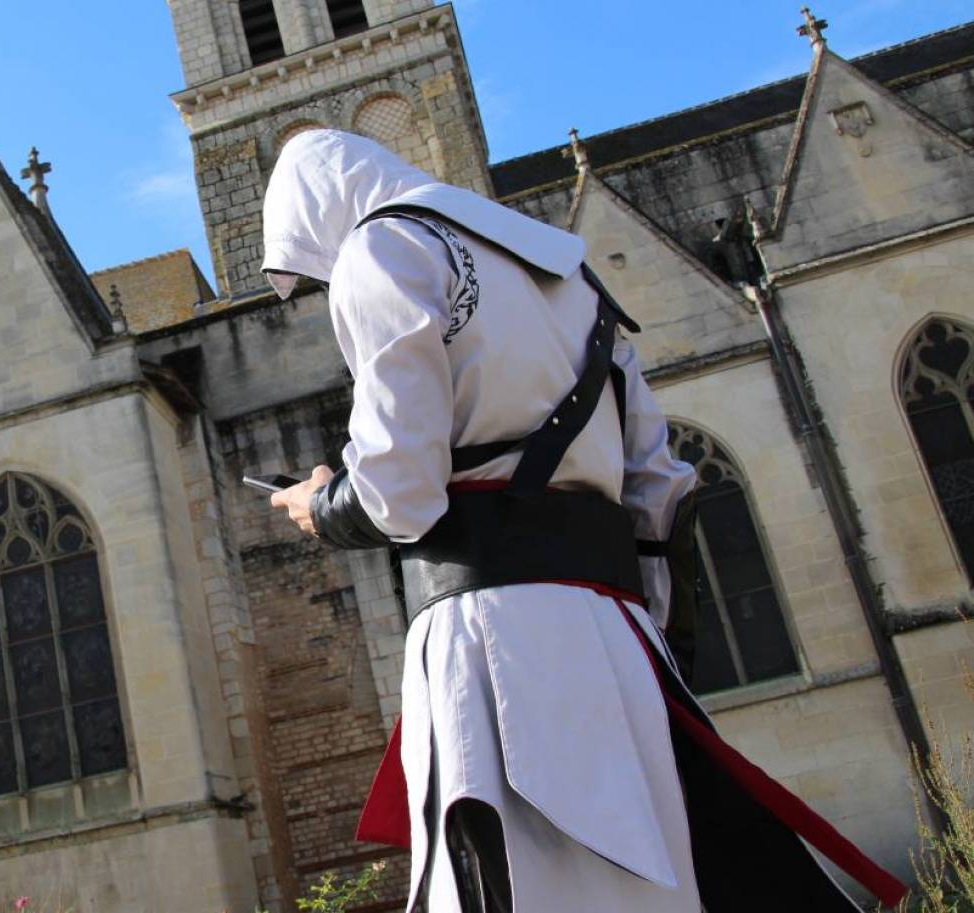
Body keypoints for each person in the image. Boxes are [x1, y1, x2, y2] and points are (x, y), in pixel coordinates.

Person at [261, 128, 904, 912]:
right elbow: (662, 490)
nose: (325, 281)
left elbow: (402, 491)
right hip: (620, 633)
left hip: (493, 631)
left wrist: (321, 503)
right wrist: (646, 642)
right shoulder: (574, 277)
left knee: (522, 880)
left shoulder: (380, 249)